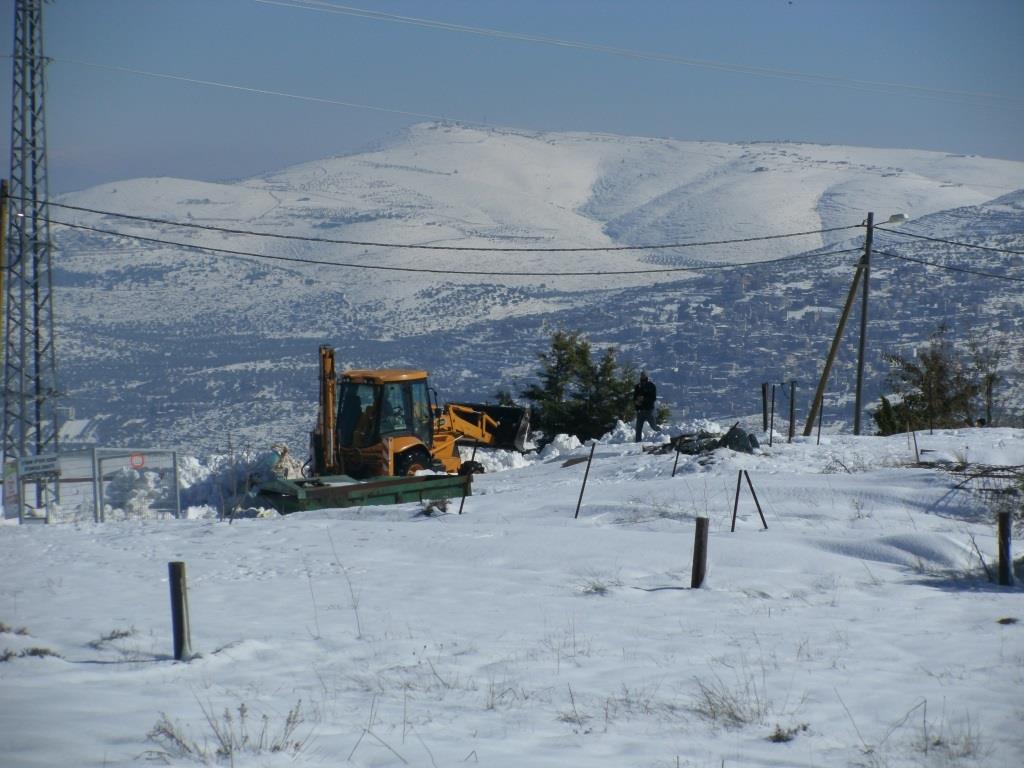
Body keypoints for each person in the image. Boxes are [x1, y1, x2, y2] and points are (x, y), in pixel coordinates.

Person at [633, 371, 657, 442]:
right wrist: (636, 402)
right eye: (641, 375)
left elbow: (653, 398)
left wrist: (644, 399)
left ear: (647, 377)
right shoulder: (637, 386)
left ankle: (662, 436)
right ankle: (638, 442)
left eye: (643, 375)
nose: (642, 377)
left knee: (653, 426)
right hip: (640, 410)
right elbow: (634, 397)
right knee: (638, 428)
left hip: (649, 410)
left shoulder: (651, 386)